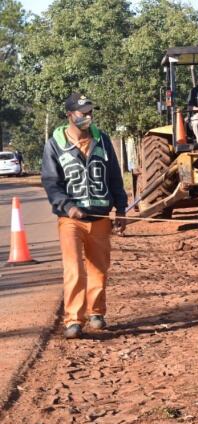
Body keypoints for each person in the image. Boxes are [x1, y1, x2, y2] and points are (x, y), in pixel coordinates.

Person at [41, 93, 128, 339]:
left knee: (99, 268)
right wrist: (67, 206)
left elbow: (114, 178)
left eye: (90, 112)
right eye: (83, 113)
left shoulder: (103, 141)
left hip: (100, 217)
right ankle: (73, 320)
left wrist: (121, 209)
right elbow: (50, 182)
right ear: (70, 115)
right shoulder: (55, 144)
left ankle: (96, 313)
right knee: (74, 270)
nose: (88, 117)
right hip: (71, 220)